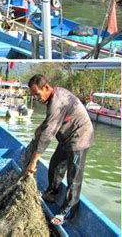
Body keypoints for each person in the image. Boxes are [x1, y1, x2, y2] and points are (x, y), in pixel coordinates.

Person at [25, 74, 94, 226]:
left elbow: (48, 135)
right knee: (55, 165)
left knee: (74, 177)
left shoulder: (58, 101)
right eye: (33, 95)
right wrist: (41, 126)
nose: (36, 98)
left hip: (80, 138)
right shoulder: (53, 97)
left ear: (47, 88)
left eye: (37, 94)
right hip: (66, 138)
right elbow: (52, 119)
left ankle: (68, 211)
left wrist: (34, 161)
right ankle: (51, 193)